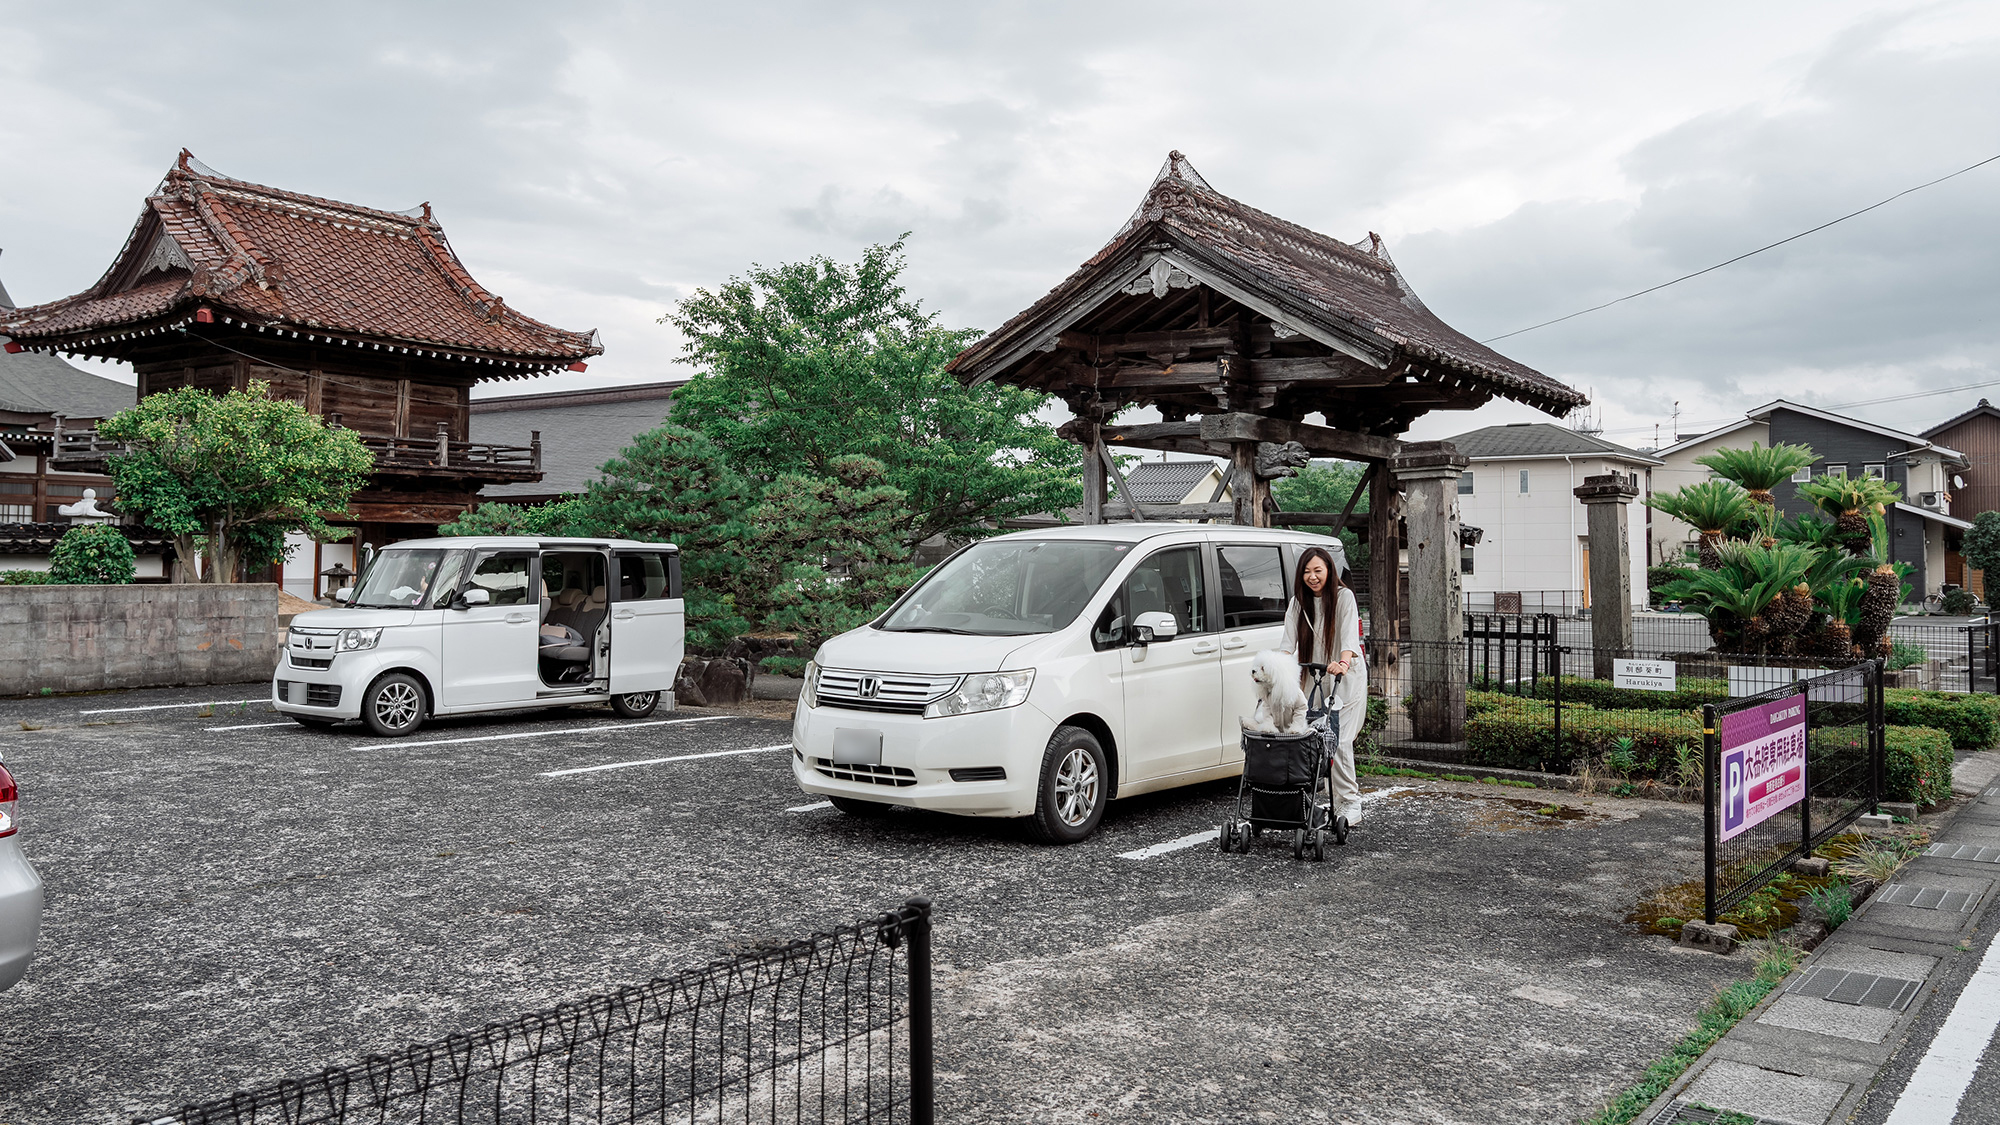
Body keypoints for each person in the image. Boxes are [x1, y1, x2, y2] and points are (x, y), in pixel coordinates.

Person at [1277, 545, 1367, 824]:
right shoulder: (1297, 603)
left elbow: (1350, 639)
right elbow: (1286, 646)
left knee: (1337, 741)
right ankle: (1307, 802)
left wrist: (1341, 662)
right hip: (1312, 676)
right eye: (1306, 571)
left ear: (1329, 570)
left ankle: (1349, 803)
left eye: (1318, 570)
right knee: (1306, 738)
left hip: (1345, 676)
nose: (1312, 577)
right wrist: (1274, 670)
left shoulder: (1344, 598)